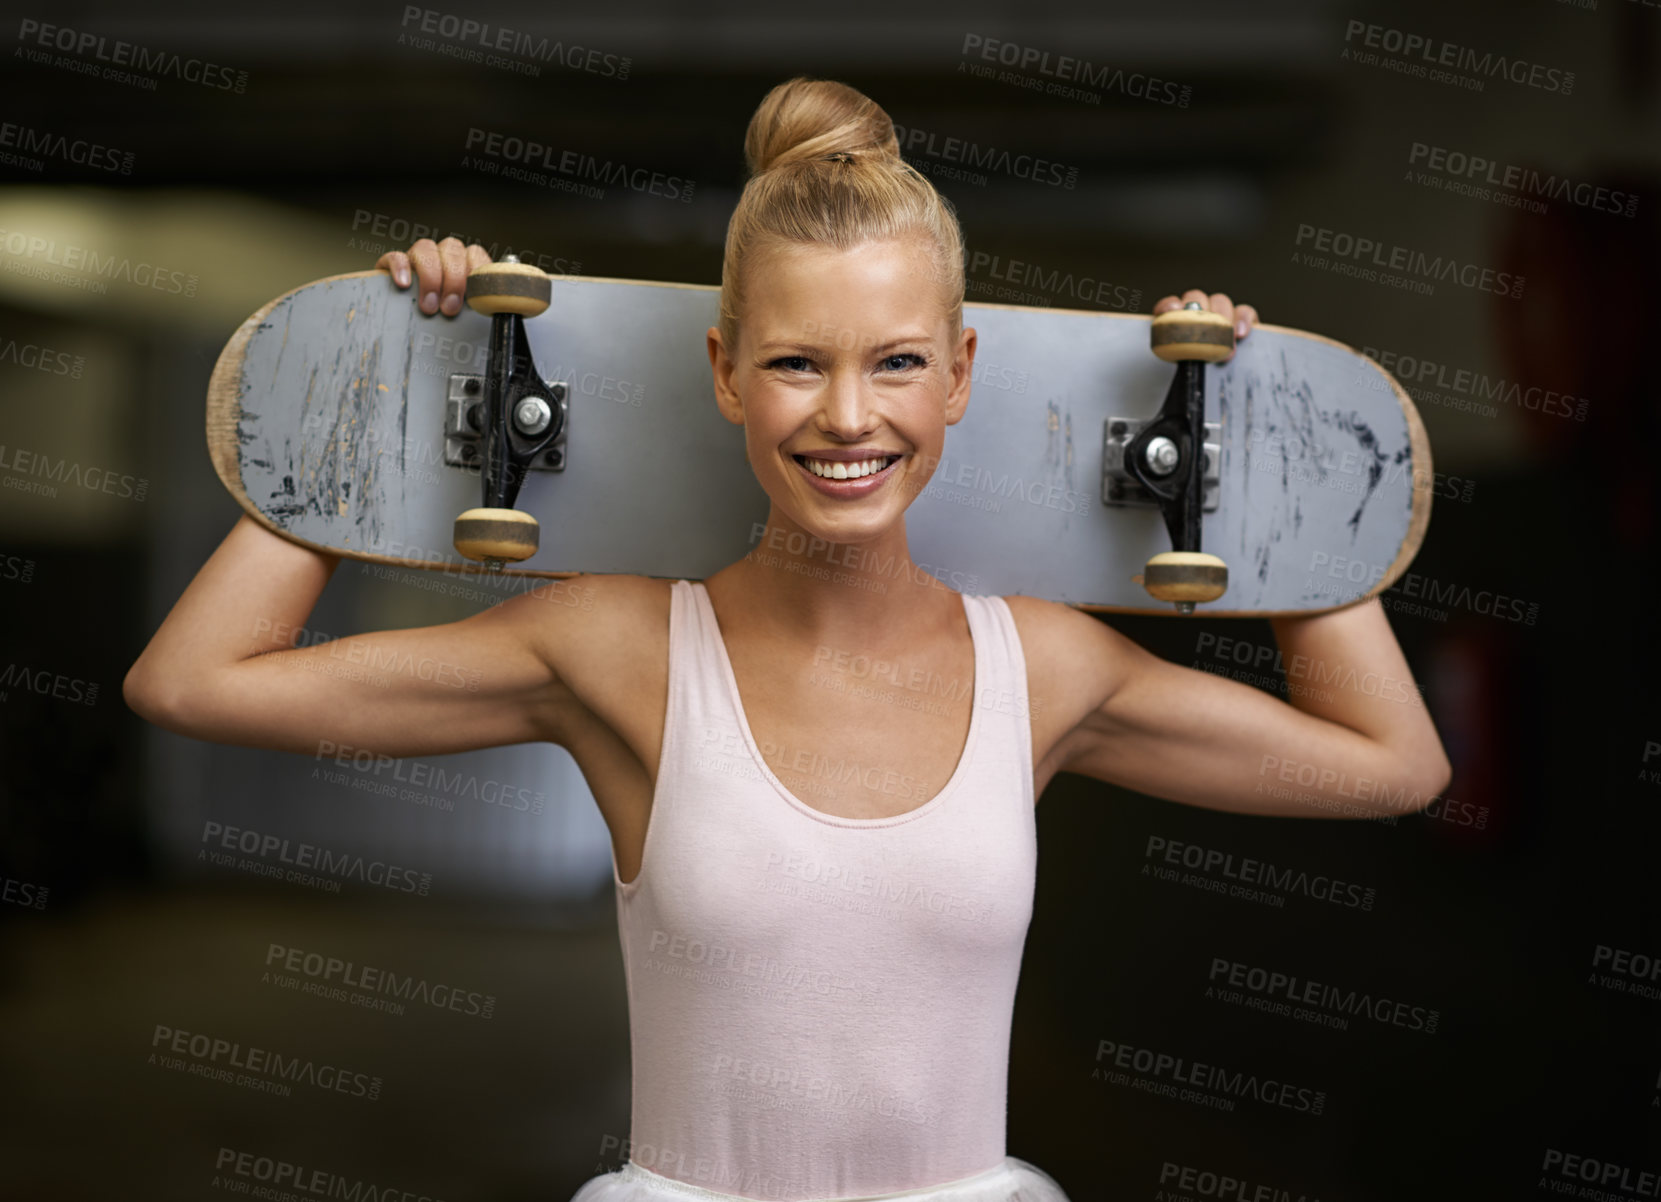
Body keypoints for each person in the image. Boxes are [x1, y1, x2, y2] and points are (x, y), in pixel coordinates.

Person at [126, 77, 1451, 1202]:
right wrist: (374, 407)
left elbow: (1389, 763)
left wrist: (1275, 473)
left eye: (894, 362)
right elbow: (190, 679)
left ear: (961, 372)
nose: (846, 417)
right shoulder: (616, 650)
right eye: (794, 362)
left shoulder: (1041, 666)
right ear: (722, 370)